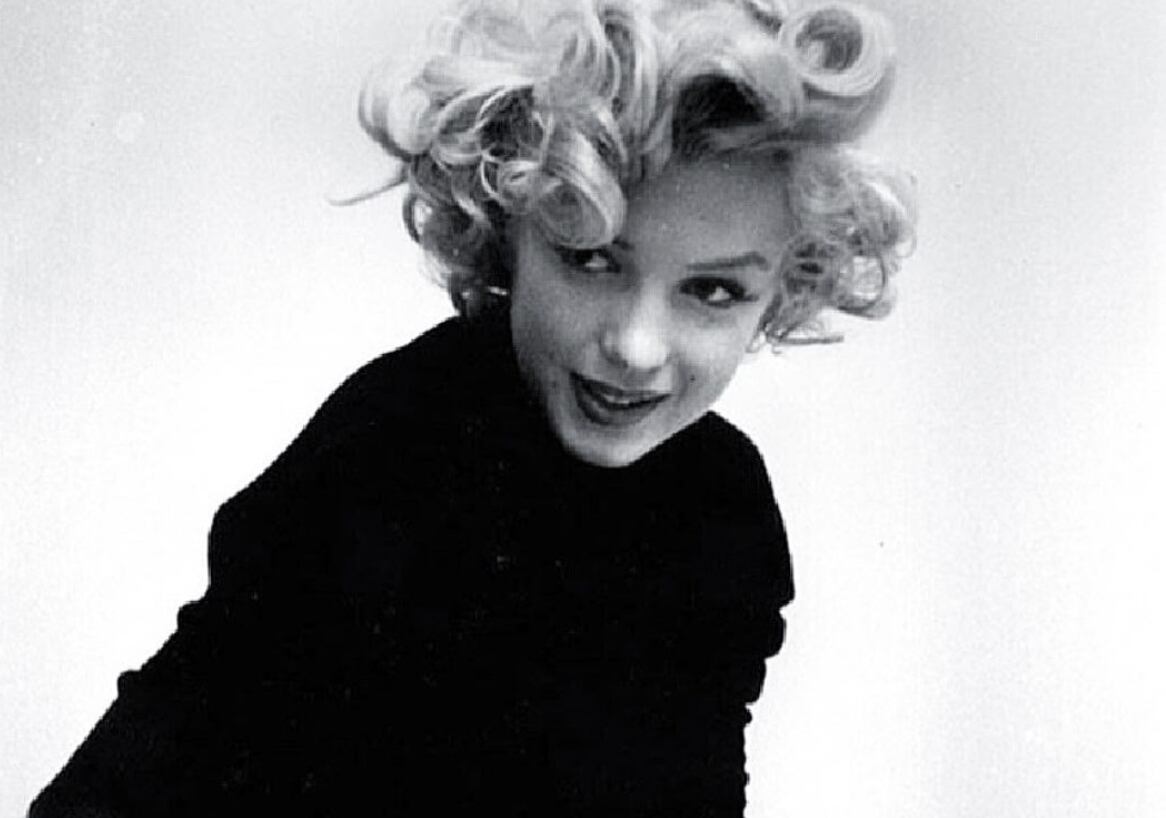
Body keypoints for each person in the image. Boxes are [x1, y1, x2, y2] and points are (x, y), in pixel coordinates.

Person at [30, 0, 915, 815]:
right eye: (591, 259)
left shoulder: (726, 511)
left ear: (783, 289)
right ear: (507, 230)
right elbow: (167, 756)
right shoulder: (389, 459)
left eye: (713, 291)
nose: (638, 345)